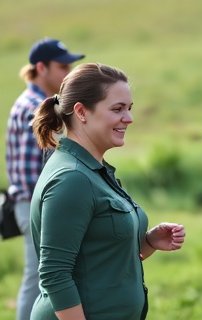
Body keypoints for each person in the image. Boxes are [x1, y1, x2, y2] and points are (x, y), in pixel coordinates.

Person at [29, 62, 186, 319]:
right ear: (81, 111)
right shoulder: (72, 178)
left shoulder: (91, 169)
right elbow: (55, 275)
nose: (129, 118)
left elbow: (98, 260)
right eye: (117, 109)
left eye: (129, 108)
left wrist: (148, 242)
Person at [5, 37, 85, 320]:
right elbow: (45, 170)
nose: (68, 72)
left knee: (41, 277)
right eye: (62, 66)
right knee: (41, 279)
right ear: (41, 67)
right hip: (35, 203)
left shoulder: (32, 102)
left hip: (30, 202)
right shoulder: (35, 108)